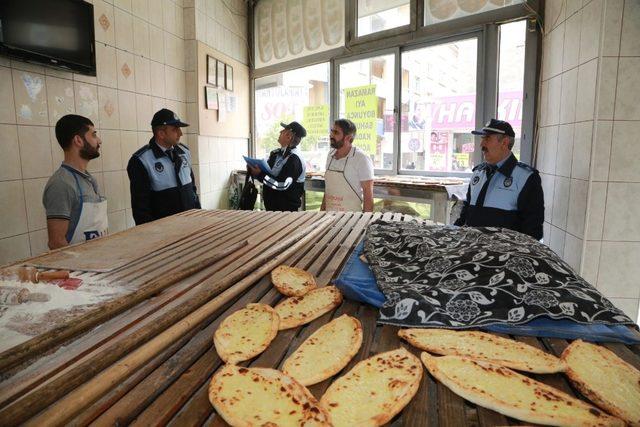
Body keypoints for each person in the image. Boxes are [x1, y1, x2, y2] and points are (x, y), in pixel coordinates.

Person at [454, 119, 544, 240]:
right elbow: (466, 215)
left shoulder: (526, 177)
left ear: (504, 142)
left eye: (487, 139)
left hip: (503, 254)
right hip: (472, 249)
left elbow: (532, 230)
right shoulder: (478, 173)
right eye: (482, 139)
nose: (482, 145)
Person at [43, 115, 108, 249]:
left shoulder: (89, 179)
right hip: (81, 267)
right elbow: (56, 242)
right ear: (78, 140)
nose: (99, 141)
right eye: (94, 135)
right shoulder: (61, 184)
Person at [127, 108, 200, 225]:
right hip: (164, 231)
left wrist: (199, 217)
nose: (180, 133)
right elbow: (141, 208)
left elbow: (192, 190)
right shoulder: (141, 160)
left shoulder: (184, 152)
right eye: (175, 129)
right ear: (161, 134)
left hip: (190, 224)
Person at [248, 121, 306, 211]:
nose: (280, 132)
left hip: (286, 212)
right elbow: (268, 177)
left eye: (283, 130)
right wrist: (255, 170)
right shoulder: (275, 154)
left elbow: (281, 185)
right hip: (271, 208)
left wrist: (260, 175)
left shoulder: (295, 159)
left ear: (289, 136)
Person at [321, 119, 374, 212]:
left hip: (351, 219)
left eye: (336, 132)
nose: (331, 135)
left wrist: (365, 222)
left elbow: (368, 194)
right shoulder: (330, 155)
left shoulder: (361, 158)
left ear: (348, 138)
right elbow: (328, 189)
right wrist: (321, 212)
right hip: (328, 217)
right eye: (332, 131)